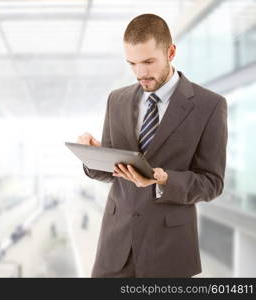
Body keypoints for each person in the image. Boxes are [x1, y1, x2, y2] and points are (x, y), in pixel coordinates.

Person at [77, 14, 227, 278]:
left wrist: (165, 181)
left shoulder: (209, 106)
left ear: (171, 52)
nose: (140, 73)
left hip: (169, 252)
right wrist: (93, 157)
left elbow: (212, 182)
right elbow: (112, 174)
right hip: (115, 249)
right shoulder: (117, 100)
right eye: (132, 63)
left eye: (148, 62)